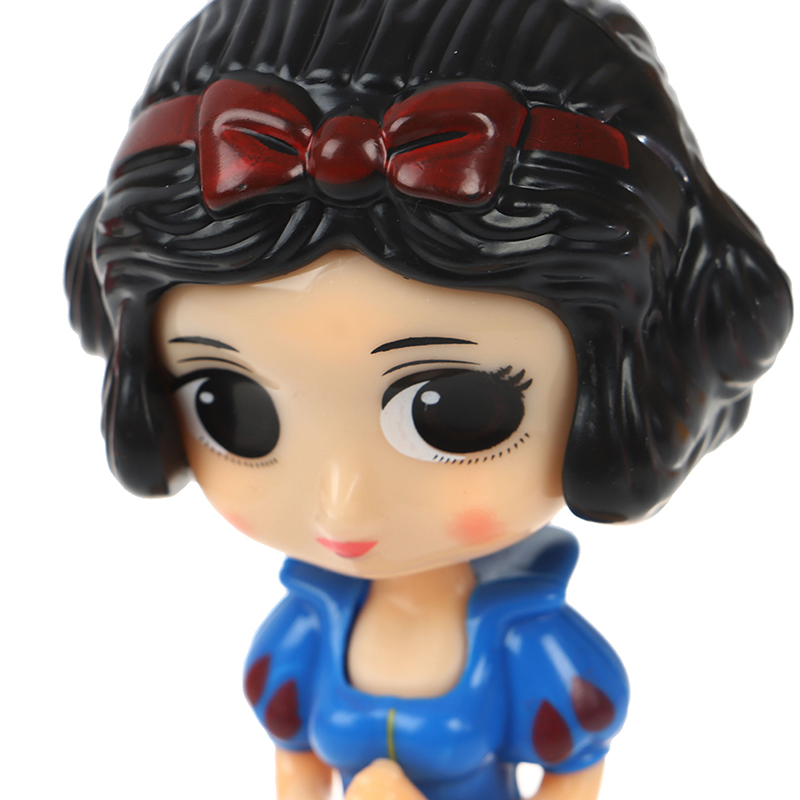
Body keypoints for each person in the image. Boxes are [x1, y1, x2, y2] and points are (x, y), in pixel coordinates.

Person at [65, 1, 792, 798]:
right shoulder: (306, 628)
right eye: (229, 405)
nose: (340, 506)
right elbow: (296, 766)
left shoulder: (526, 646)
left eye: (450, 412)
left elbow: (574, 774)